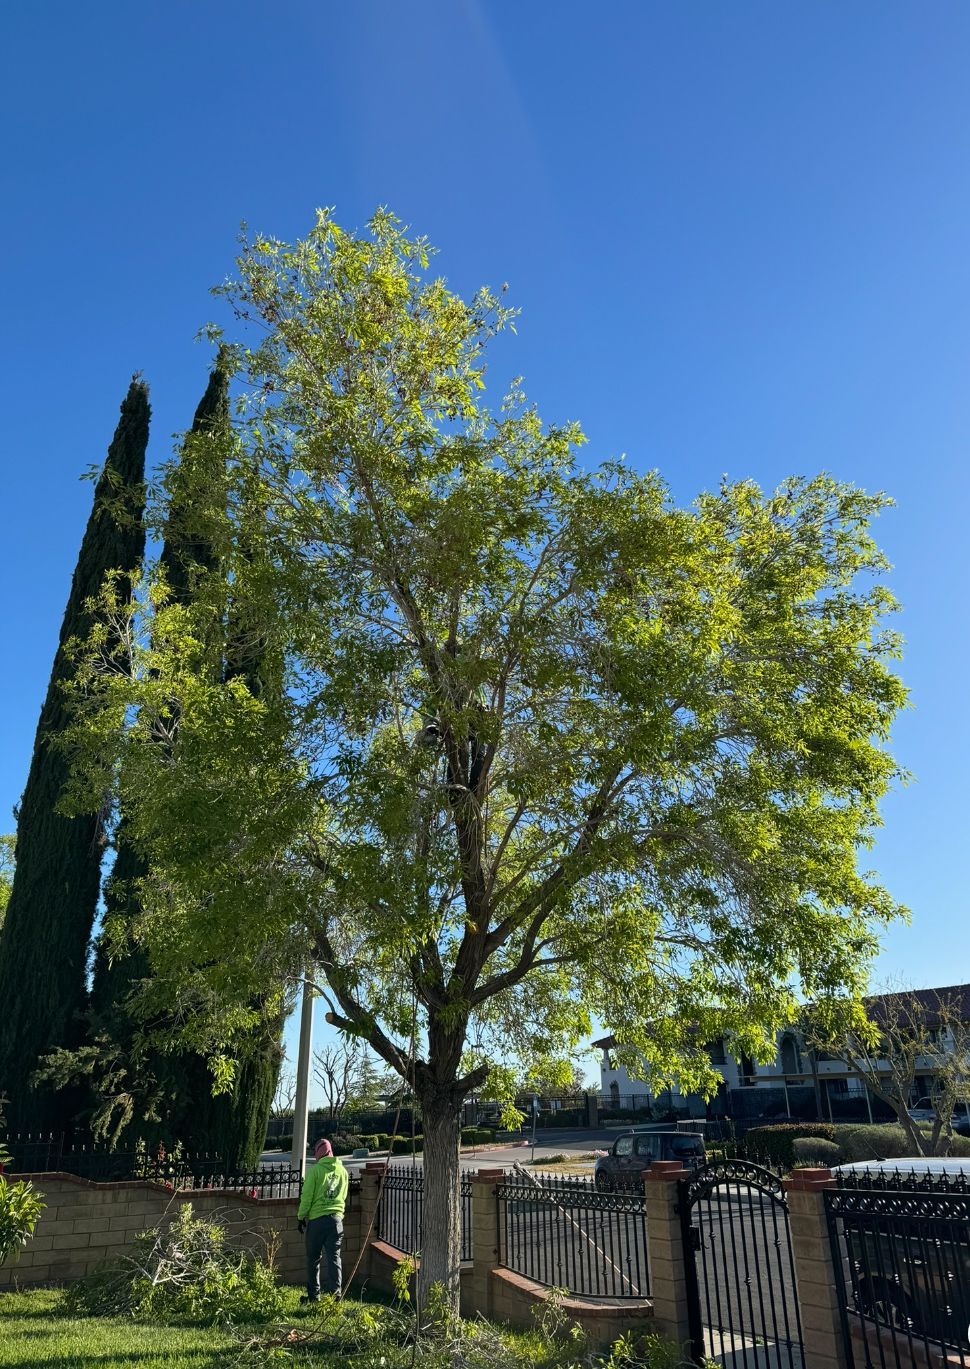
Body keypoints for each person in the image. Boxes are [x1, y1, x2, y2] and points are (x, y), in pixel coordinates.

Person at [297, 1137, 350, 1302]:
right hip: (336, 1221)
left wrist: (301, 1217)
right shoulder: (343, 1171)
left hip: (317, 1221)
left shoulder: (316, 1171)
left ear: (319, 1152)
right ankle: (336, 1295)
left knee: (313, 1259)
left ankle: (314, 1297)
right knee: (334, 1257)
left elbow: (307, 1197)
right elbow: (344, 1195)